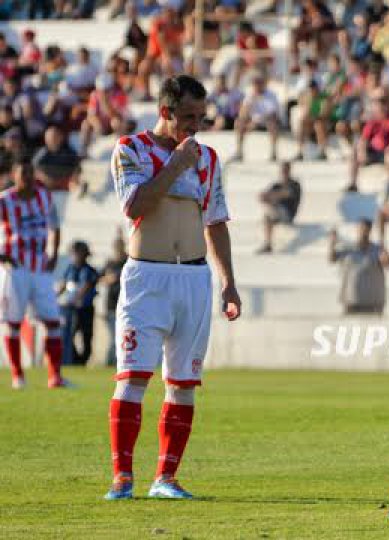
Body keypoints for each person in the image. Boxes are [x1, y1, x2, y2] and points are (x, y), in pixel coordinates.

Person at [104, 75, 241, 501]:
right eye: (187, 117)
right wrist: (176, 165)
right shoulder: (130, 149)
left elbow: (215, 222)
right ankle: (122, 477)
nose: (195, 126)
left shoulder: (208, 158)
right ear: (165, 112)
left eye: (201, 117)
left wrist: (228, 282)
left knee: (183, 383)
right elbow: (136, 205)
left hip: (194, 279)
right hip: (147, 277)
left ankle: (165, 478)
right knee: (133, 378)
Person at [0, 155, 65, 390]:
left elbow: (55, 226)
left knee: (53, 321)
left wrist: (54, 254)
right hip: (15, 269)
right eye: (23, 173)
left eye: (30, 172)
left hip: (40, 269)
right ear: (14, 176)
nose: (28, 177)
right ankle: (18, 376)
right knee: (13, 323)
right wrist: (2, 256)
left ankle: (55, 377)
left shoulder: (44, 196)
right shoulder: (4, 201)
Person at [328, 219, 389, 314]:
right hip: (351, 300)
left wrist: (386, 257)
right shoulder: (348, 248)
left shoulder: (377, 249)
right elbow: (332, 259)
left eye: (365, 229)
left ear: (370, 231)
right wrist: (332, 243)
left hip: (372, 303)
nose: (362, 232)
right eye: (360, 229)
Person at [57, 240, 97, 366]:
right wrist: (55, 297)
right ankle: (73, 360)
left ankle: (82, 361)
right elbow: (63, 285)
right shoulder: (69, 269)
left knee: (86, 337)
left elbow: (85, 287)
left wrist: (75, 299)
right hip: (70, 309)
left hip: (85, 309)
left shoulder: (89, 270)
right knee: (68, 336)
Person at [256, 161, 302, 254]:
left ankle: (268, 245)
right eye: (283, 170)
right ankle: (268, 244)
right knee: (267, 216)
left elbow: (287, 193)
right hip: (276, 214)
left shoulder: (294, 184)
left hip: (288, 215)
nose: (284, 172)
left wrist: (272, 196)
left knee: (270, 212)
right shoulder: (276, 185)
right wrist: (271, 197)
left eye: (286, 170)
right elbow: (262, 196)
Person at [232, 76, 280, 162]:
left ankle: (274, 153)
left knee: (272, 123)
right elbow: (242, 113)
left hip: (266, 121)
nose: (257, 85)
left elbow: (271, 113)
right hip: (253, 121)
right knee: (239, 123)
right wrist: (250, 103)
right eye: (256, 83)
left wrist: (256, 121)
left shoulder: (271, 95)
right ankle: (239, 152)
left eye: (259, 82)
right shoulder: (250, 95)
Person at [100, 232, 126, 367]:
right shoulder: (109, 263)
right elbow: (100, 279)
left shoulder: (128, 261)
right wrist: (109, 279)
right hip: (111, 306)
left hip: (125, 305)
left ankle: (118, 362)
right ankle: (110, 362)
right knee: (114, 337)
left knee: (122, 336)